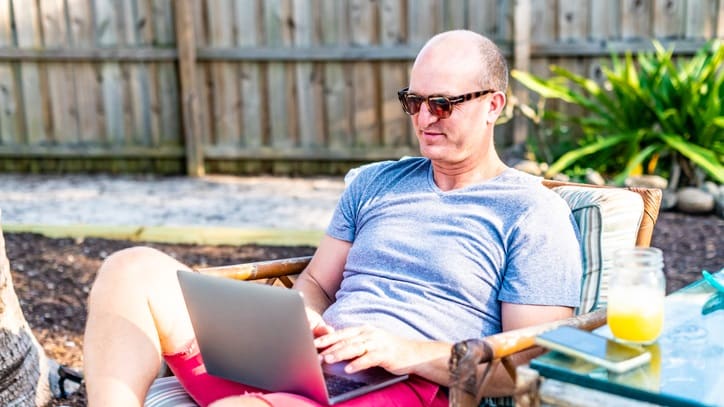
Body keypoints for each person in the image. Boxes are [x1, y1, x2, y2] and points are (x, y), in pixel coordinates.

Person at [83, 29, 582, 407]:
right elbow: (319, 281)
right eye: (414, 101)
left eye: (443, 104)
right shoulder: (375, 184)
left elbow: (525, 363)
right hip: (307, 363)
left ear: (493, 105)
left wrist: (405, 351)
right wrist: (298, 320)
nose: (425, 118)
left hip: (395, 384)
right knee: (132, 270)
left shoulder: (532, 211)